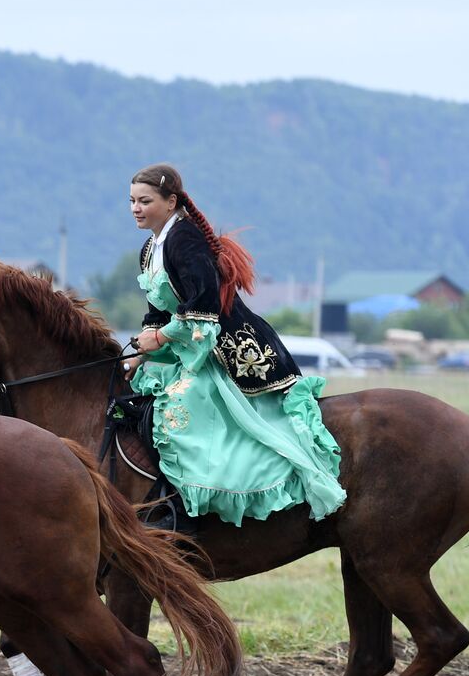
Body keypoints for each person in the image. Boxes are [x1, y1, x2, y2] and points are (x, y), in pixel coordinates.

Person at [124, 163, 346, 530]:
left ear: (171, 201)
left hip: (229, 349)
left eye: (144, 201)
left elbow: (205, 309)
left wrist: (161, 338)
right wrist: (141, 355)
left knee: (179, 411)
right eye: (132, 201)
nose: (135, 208)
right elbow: (157, 313)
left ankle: (192, 511)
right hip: (190, 348)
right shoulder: (150, 249)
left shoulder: (185, 239)